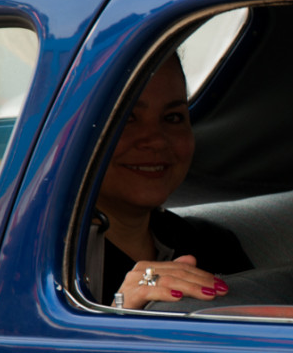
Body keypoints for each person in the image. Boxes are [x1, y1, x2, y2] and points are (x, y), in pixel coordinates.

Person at [86, 54, 252, 309]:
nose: (156, 140)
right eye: (127, 117)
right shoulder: (41, 258)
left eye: (172, 117)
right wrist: (120, 308)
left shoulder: (213, 245)